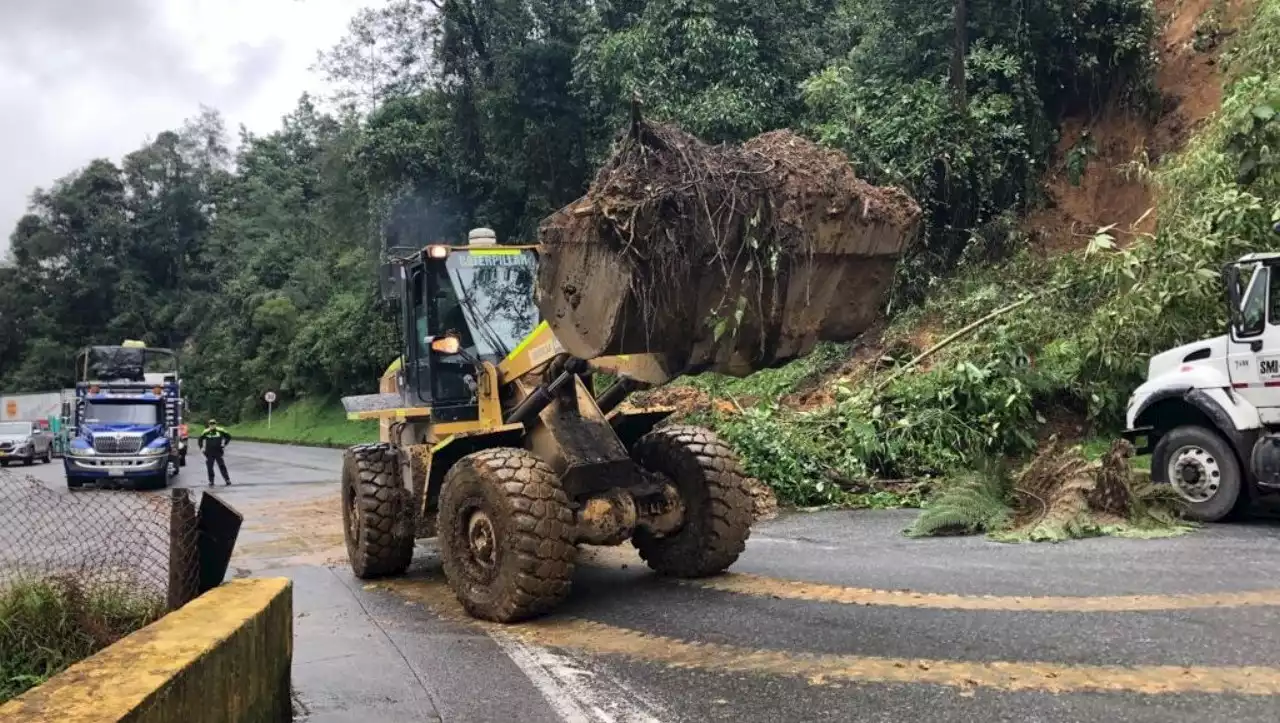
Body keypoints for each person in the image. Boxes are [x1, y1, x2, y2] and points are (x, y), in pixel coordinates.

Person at [198, 419, 232, 487]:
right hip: (209, 452)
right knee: (210, 467)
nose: (212, 425)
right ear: (209, 425)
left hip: (218, 451)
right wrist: (201, 448)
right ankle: (211, 481)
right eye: (211, 424)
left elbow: (229, 436)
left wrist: (224, 444)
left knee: (222, 465)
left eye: (213, 424)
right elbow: (200, 439)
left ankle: (227, 479)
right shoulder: (206, 431)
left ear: (216, 424)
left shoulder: (221, 430)